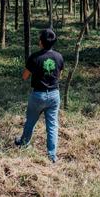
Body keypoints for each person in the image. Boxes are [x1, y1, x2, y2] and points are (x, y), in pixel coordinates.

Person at [14, 28, 65, 163]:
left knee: (30, 121)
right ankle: (52, 155)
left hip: (38, 95)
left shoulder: (35, 57)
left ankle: (24, 143)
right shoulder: (59, 57)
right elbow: (60, 75)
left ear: (41, 42)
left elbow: (25, 76)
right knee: (52, 125)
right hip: (54, 95)